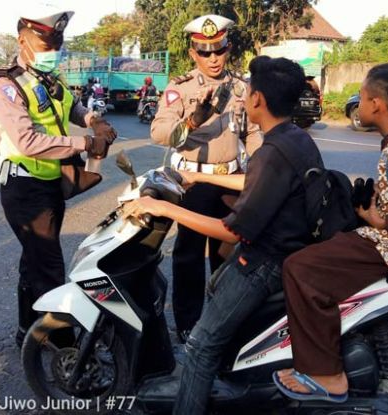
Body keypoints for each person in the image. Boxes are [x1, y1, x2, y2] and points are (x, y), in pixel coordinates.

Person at [125, 56, 321, 415]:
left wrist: (165, 209)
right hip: (281, 244)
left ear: (258, 100)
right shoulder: (293, 138)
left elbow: (230, 229)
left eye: (249, 94)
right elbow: (252, 180)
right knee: (212, 281)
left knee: (200, 346)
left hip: (265, 261)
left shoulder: (271, 152)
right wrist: (203, 177)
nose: (243, 100)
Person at [273, 64, 388, 402]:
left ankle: (327, 375)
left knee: (299, 268)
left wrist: (382, 223)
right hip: (386, 237)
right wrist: (372, 210)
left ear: (376, 104)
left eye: (361, 96)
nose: (357, 103)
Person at [0, 8, 117, 347]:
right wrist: (85, 142)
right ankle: (65, 348)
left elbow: (73, 105)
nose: (52, 51)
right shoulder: (7, 85)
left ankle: (28, 332)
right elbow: (27, 140)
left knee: (34, 260)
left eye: (56, 44)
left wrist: (94, 120)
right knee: (48, 267)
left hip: (48, 185)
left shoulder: (48, 78)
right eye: (45, 44)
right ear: (23, 41)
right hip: (24, 188)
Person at [150, 14, 263, 343]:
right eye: (205, 52)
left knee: (227, 258)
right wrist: (192, 124)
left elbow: (253, 133)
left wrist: (257, 168)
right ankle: (187, 326)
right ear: (193, 53)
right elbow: (160, 133)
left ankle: (222, 324)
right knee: (188, 256)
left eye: (219, 50)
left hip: (231, 181)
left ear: (228, 48)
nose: (213, 58)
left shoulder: (242, 87)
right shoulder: (180, 88)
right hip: (194, 182)